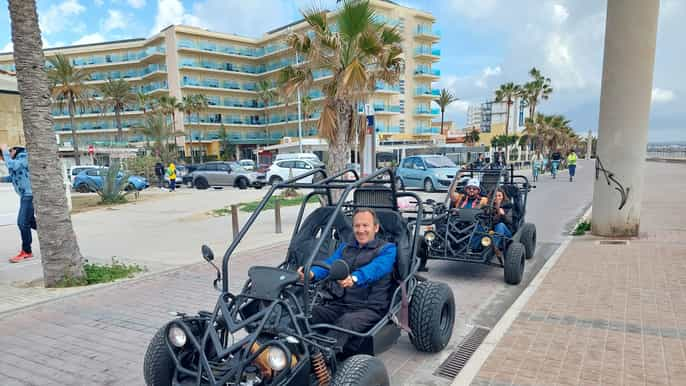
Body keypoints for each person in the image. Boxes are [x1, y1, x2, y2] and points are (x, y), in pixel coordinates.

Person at [297, 208, 397, 351]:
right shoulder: (345, 248)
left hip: (369, 309)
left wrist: (355, 278)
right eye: (357, 226)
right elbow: (330, 264)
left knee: (346, 322)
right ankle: (291, 346)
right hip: (341, 304)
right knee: (308, 312)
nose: (360, 230)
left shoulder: (387, 249)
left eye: (365, 225)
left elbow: (377, 268)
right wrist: (311, 273)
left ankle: (321, 357)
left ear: (375, 228)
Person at [1, 144, 37, 263]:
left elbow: (12, 165)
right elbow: (13, 177)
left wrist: (5, 151)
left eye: (2, 156)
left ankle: (27, 251)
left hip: (29, 195)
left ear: (14, 150)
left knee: (22, 223)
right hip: (24, 195)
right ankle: (58, 235)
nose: (3, 158)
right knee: (32, 222)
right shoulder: (16, 160)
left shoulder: (24, 156)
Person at [491, 188, 513, 256]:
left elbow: (510, 222)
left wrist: (503, 215)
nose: (497, 197)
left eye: (499, 195)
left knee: (500, 225)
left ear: (503, 196)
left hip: (506, 232)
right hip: (491, 231)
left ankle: (495, 247)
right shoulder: (489, 207)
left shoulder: (508, 206)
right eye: (495, 196)